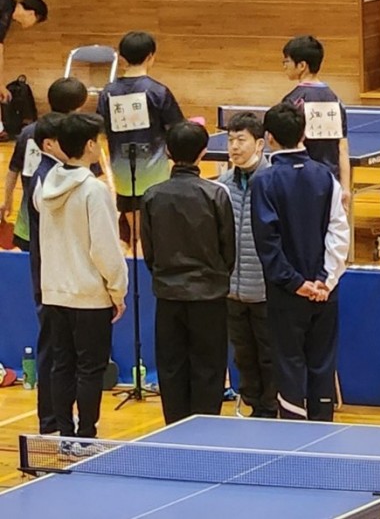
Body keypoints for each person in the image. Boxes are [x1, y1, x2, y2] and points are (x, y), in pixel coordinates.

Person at [251, 102, 349, 422]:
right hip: (325, 293)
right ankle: (322, 425)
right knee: (322, 361)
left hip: (286, 295)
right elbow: (339, 231)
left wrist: (295, 283)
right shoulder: (326, 177)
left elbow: (267, 242)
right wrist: (324, 281)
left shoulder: (264, 182)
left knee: (289, 361)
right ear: (304, 134)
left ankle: (295, 430)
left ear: (268, 138)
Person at [38, 113, 127, 444]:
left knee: (62, 364)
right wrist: (118, 291)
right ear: (90, 145)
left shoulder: (45, 185)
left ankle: (65, 435)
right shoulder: (94, 190)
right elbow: (105, 249)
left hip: (54, 292)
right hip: (89, 296)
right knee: (90, 369)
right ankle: (86, 437)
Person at [141, 121, 235, 425]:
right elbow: (228, 251)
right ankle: (205, 431)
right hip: (209, 298)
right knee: (209, 368)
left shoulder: (152, 196)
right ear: (203, 152)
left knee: (171, 368)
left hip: (168, 297)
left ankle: (175, 429)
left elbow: (150, 252)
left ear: (168, 152)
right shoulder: (215, 194)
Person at [97, 31, 184, 249]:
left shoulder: (107, 93)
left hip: (122, 174)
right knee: (153, 234)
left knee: (135, 232)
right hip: (156, 175)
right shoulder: (158, 92)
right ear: (150, 56)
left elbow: (101, 127)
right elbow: (177, 129)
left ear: (122, 58)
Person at [218, 112, 277, 418]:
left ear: (260, 144)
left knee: (269, 354)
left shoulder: (273, 182)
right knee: (243, 355)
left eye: (241, 140)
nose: (234, 147)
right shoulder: (223, 185)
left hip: (265, 289)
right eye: (231, 140)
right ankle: (254, 406)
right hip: (232, 290)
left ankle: (270, 408)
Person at [2, 77, 90, 251]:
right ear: (80, 105)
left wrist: (8, 199)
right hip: (67, 227)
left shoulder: (28, 132)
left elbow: (13, 169)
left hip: (29, 224)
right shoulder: (80, 135)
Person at [27, 112, 66, 435]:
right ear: (50, 144)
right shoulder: (47, 177)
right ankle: (51, 421)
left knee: (59, 347)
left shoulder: (54, 172)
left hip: (55, 275)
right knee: (53, 347)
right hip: (50, 277)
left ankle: (56, 418)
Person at [281, 35, 350, 207]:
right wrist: (346, 188)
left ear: (302, 65)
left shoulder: (293, 101)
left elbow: (286, 147)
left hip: (300, 182)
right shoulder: (335, 100)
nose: (284, 66)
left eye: (287, 61)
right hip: (331, 182)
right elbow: (342, 148)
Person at [0, 0, 48, 139]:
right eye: (36, 21)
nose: (31, 25)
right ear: (32, 13)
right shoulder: (5, 8)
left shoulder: (7, 7)